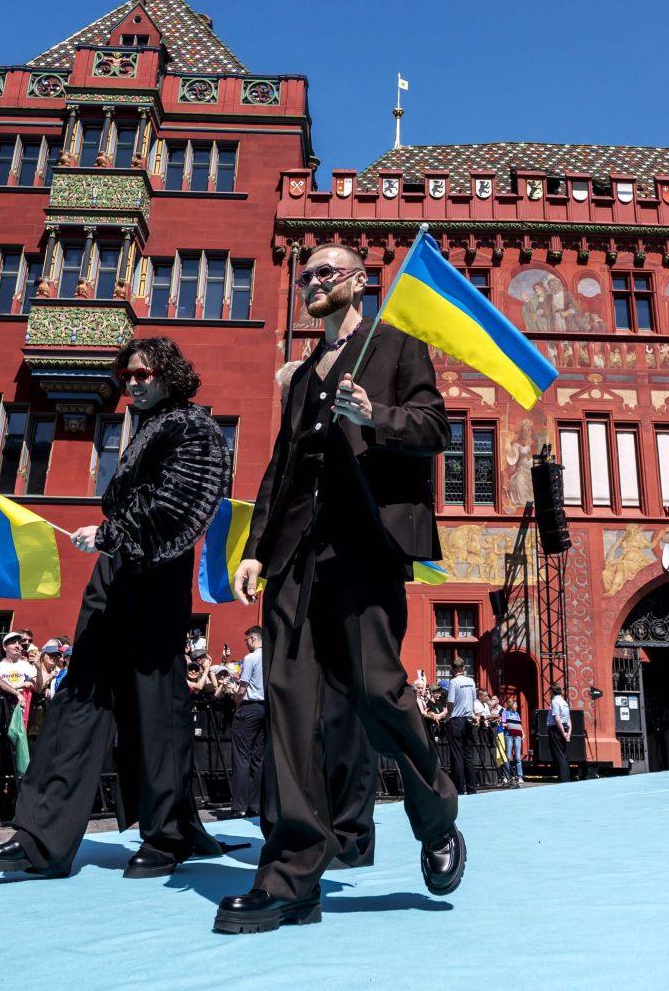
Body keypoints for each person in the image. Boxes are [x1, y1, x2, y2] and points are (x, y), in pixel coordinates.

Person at [216, 245, 464, 935]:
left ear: (359, 283)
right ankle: (292, 875)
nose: (312, 282)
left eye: (327, 272)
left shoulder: (394, 347)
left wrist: (374, 415)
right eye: (307, 274)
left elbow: (435, 427)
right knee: (292, 708)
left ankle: (436, 816)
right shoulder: (301, 377)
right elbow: (282, 469)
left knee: (379, 693)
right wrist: (257, 552)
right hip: (298, 554)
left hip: (365, 544)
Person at [0, 336, 234, 881]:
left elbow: (184, 508)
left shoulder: (195, 427)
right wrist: (113, 539)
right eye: (126, 377)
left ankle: (168, 833)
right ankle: (40, 836)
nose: (131, 383)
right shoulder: (144, 429)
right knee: (78, 697)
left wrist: (114, 533)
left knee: (155, 701)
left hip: (156, 573)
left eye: (141, 374)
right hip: (115, 569)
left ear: (169, 373)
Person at [231, 625, 267, 818]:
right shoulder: (270, 657)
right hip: (265, 708)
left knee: (241, 756)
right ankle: (255, 804)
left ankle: (239, 805)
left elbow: (243, 688)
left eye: (247, 641)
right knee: (258, 758)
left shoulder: (251, 658)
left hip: (249, 707)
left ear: (253, 639)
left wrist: (237, 706)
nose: (246, 644)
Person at [446, 658, 479, 794]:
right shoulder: (471, 681)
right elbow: (474, 700)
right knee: (468, 755)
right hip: (469, 719)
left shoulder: (454, 682)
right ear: (464, 668)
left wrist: (448, 714)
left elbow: (450, 701)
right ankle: (472, 787)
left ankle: (459, 788)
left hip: (457, 720)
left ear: (453, 670)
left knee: (457, 755)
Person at [500, 691, 526, 787]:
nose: (517, 706)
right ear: (511, 705)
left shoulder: (517, 714)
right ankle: (506, 776)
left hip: (517, 735)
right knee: (508, 756)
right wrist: (510, 725)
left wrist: (523, 734)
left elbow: (519, 725)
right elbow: (503, 724)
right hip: (509, 735)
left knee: (518, 757)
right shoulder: (505, 713)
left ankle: (519, 776)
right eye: (515, 705)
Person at [548, 686, 573, 780]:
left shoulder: (554, 701)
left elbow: (557, 719)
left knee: (558, 754)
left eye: (549, 691)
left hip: (556, 729)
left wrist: (563, 733)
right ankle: (565, 777)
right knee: (562, 753)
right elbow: (569, 719)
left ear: (552, 691)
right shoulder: (564, 702)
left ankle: (563, 778)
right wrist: (568, 733)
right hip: (565, 727)